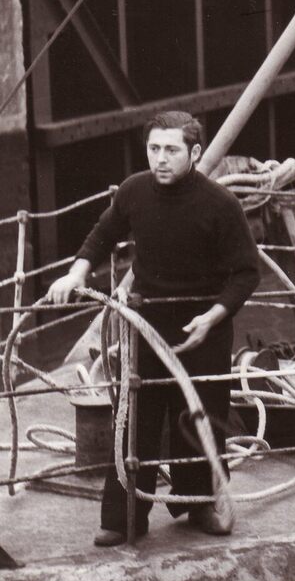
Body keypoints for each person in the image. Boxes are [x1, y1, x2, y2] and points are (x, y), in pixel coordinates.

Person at [45, 111, 260, 547]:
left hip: (202, 328)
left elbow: (246, 273)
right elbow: (103, 234)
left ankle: (199, 504)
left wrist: (213, 317)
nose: (161, 159)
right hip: (145, 324)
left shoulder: (221, 205)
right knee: (135, 421)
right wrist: (76, 272)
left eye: (171, 150)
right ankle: (123, 517)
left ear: (195, 153)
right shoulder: (134, 191)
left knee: (198, 418)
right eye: (154, 148)